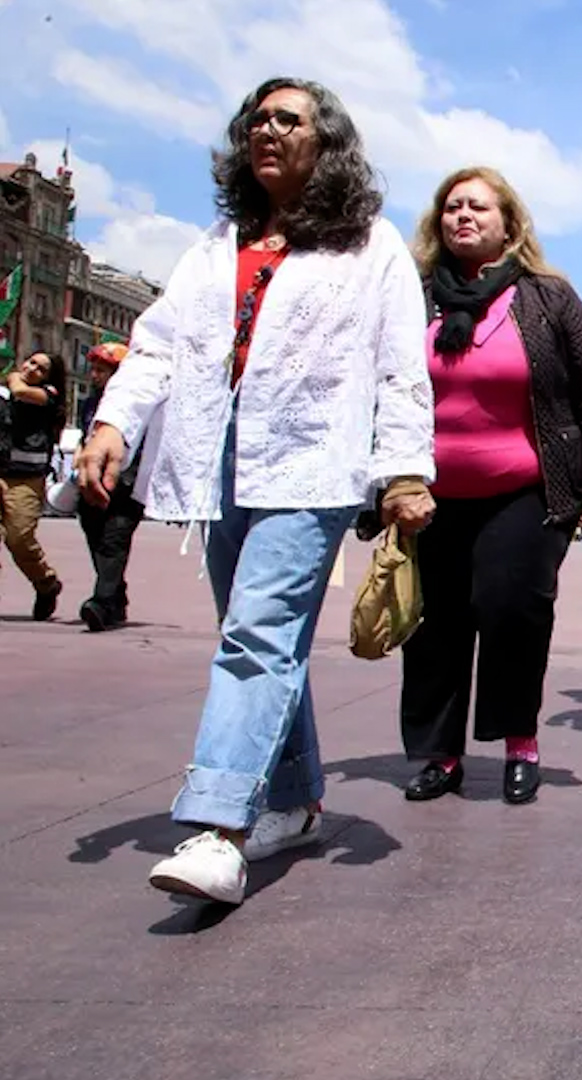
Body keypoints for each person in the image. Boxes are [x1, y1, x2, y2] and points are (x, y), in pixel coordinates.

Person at [76, 77, 436, 905]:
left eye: (288, 119)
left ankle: (217, 829)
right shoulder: (217, 242)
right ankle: (295, 800)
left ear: (327, 143)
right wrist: (113, 424)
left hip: (312, 461)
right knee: (260, 639)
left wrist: (405, 470)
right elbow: (159, 343)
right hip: (217, 460)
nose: (266, 130)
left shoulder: (367, 244)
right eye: (256, 120)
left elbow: (398, 367)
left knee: (256, 637)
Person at [396, 166, 582, 804]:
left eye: (479, 208)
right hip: (428, 490)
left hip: (525, 488)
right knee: (433, 622)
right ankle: (439, 753)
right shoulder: (412, 295)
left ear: (509, 225)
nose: (463, 217)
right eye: (452, 207)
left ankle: (519, 739)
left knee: (509, 608)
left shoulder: (549, 296)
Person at [74, 344, 145, 631]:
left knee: (113, 540)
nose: (94, 375)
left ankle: (102, 603)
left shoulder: (140, 406)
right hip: (93, 483)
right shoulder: (92, 403)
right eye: (93, 369)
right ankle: (115, 596)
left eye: (102, 370)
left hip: (128, 484)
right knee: (95, 537)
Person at [2, 349, 67, 620]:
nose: (31, 369)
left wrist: (14, 376)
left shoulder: (48, 396)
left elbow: (20, 391)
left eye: (40, 368)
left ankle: (46, 583)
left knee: (19, 538)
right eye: (30, 362)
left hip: (26, 478)